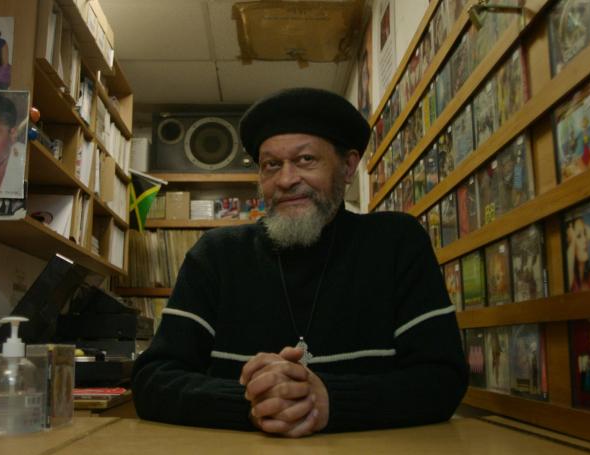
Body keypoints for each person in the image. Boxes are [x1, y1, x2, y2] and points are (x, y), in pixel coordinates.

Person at [132, 88, 468, 437]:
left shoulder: (397, 243)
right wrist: (253, 401)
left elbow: (442, 378)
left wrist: (329, 399)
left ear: (348, 166)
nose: (286, 179)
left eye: (306, 160)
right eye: (271, 165)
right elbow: (152, 379)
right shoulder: (216, 255)